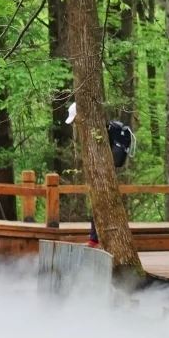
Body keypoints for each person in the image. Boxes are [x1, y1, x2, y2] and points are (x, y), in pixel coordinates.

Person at [64, 103, 136, 248]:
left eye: (75, 118)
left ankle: (95, 240)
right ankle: (95, 239)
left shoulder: (97, 129)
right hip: (103, 174)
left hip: (104, 174)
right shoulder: (94, 129)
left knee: (101, 203)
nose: (75, 122)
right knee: (99, 204)